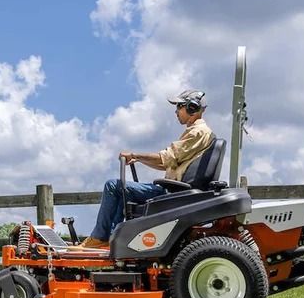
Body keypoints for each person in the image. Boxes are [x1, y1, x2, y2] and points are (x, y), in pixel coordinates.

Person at [79, 90, 214, 248]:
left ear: (192, 108)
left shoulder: (197, 132)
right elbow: (166, 163)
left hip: (172, 193)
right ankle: (110, 239)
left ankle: (99, 237)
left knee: (113, 186)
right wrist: (139, 159)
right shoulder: (197, 132)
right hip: (177, 190)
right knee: (123, 190)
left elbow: (165, 157)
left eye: (179, 106)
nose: (176, 111)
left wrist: (134, 154)